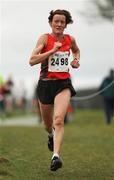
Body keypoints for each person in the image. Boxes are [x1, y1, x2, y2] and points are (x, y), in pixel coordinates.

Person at [29, 9, 80, 171]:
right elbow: (31, 60)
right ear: (51, 22)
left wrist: (76, 60)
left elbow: (76, 51)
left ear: (66, 24)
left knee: (58, 120)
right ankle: (50, 135)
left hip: (63, 84)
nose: (59, 24)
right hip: (45, 85)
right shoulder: (44, 38)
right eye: (56, 21)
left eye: (62, 22)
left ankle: (56, 157)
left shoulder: (70, 39)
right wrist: (52, 51)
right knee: (47, 124)